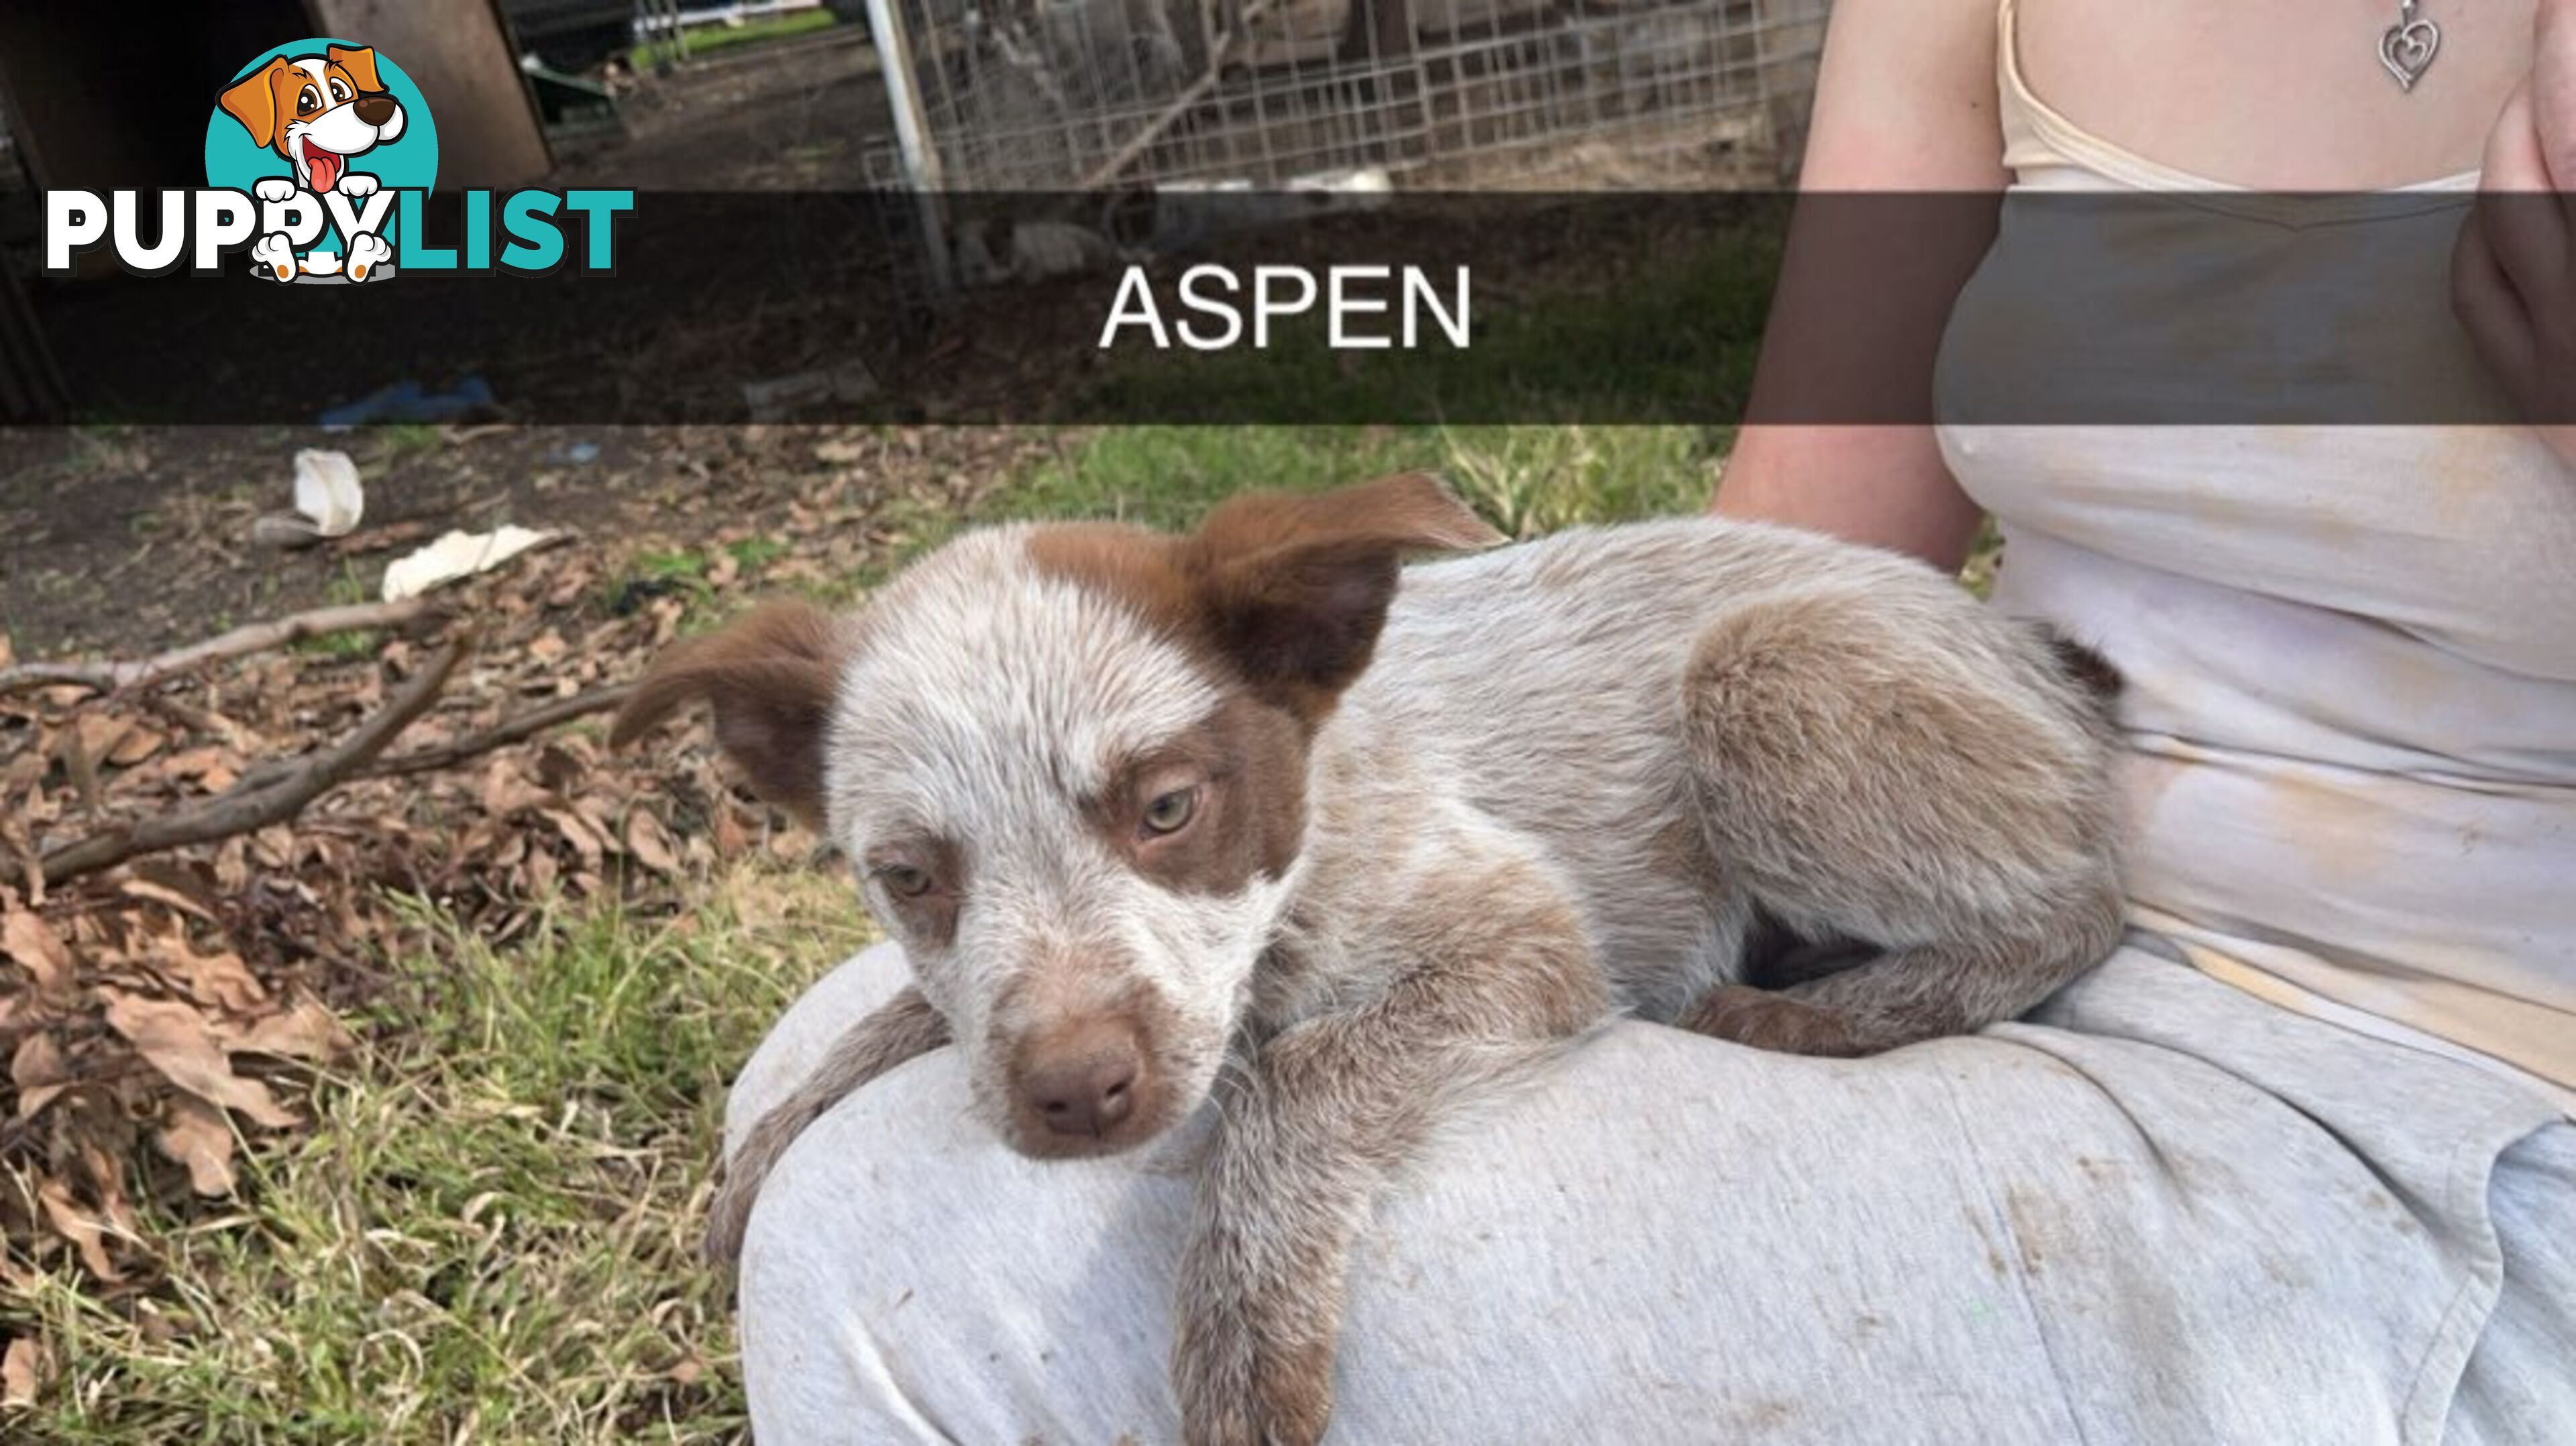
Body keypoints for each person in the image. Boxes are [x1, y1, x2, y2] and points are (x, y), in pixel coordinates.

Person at [724, 0, 2575, 1437]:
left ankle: (2010, 939)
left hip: (2427, 1104)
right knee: (859, 1112)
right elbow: (1787, 541)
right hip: (1915, 856)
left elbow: (1515, 937)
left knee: (933, 1254)